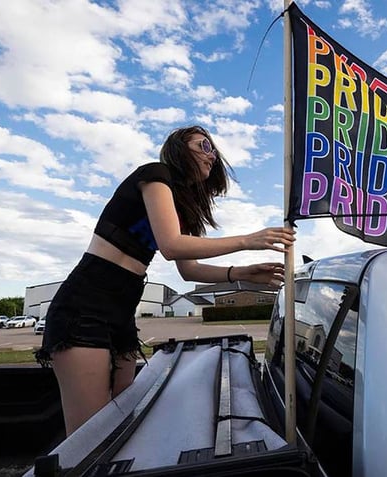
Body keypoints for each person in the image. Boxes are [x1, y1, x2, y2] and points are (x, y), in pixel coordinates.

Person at [35, 125, 295, 436]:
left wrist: (240, 274)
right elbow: (171, 245)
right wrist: (247, 240)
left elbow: (189, 270)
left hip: (122, 312)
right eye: (204, 146)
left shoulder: (183, 207)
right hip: (84, 305)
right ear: (178, 148)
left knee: (119, 425)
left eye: (213, 150)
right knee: (90, 439)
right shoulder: (156, 174)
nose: (212, 156)